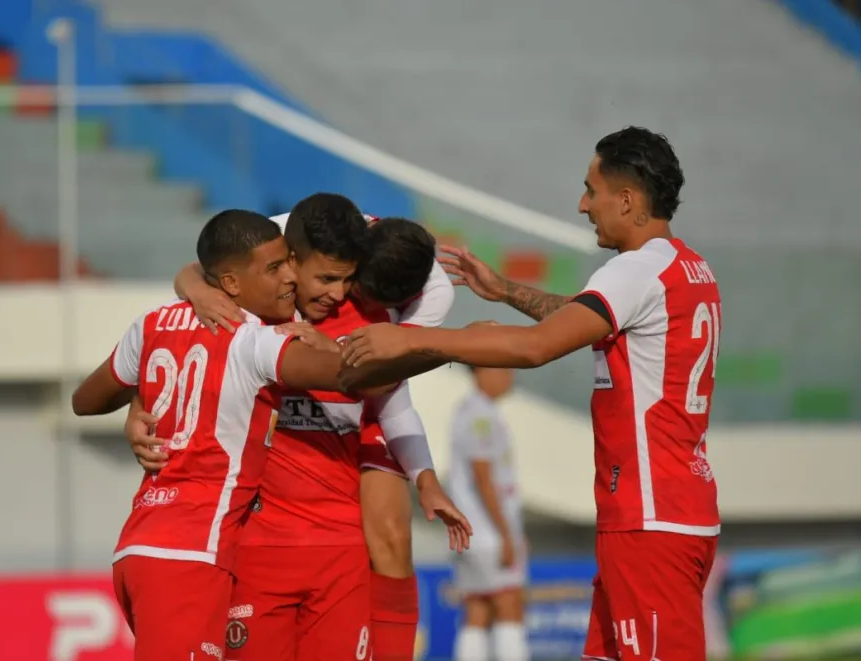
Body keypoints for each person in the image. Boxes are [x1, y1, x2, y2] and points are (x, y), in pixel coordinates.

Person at [342, 127, 722, 661]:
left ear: (628, 199)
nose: (583, 204)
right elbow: (585, 315)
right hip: (672, 507)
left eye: (592, 190)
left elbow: (538, 347)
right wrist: (505, 291)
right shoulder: (685, 268)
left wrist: (412, 339)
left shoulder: (635, 271)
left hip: (650, 515)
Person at [125, 194, 469, 661]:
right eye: (331, 279)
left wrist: (426, 479)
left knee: (391, 531)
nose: (343, 296)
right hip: (268, 510)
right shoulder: (273, 259)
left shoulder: (425, 297)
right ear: (288, 260)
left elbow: (387, 387)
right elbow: (196, 284)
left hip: (360, 405)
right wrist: (140, 403)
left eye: (352, 285)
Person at [70, 209, 383, 661]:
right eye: (275, 268)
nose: (290, 278)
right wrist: (440, 346)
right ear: (232, 284)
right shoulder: (252, 340)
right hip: (189, 553)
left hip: (142, 546)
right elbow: (357, 377)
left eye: (289, 263)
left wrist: (144, 401)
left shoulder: (151, 324)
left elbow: (85, 400)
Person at [450, 366, 528, 661]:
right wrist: (507, 534)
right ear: (482, 371)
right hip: (489, 533)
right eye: (504, 369)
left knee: (477, 609)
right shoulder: (480, 415)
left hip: (473, 532)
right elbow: (483, 476)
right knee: (509, 605)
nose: (511, 375)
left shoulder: (470, 411)